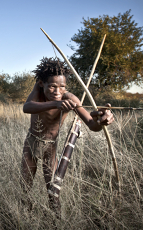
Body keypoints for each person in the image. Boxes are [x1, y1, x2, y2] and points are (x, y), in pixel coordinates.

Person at [21, 57, 114, 215]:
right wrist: (55, 104)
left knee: (53, 192)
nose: (57, 92)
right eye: (52, 86)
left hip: (50, 146)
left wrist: (101, 120)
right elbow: (27, 107)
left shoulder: (70, 99)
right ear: (42, 83)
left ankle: (55, 222)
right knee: (25, 188)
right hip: (31, 144)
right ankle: (26, 218)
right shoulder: (38, 90)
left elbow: (92, 125)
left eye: (62, 87)